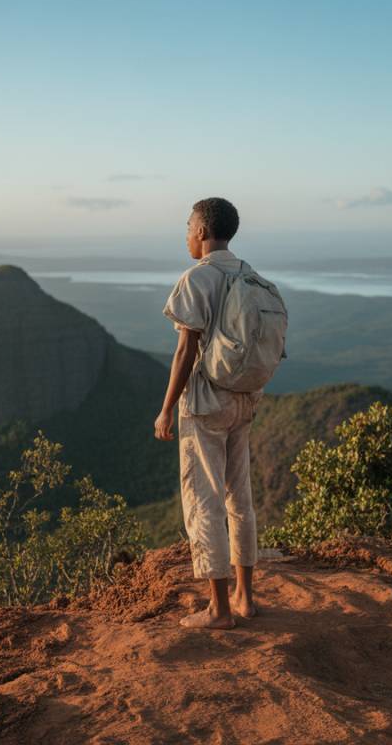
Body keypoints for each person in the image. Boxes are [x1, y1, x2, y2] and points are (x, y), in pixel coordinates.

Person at [154, 197, 260, 630]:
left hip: (206, 403)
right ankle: (246, 598)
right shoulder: (249, 275)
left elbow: (186, 349)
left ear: (201, 231)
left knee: (205, 501)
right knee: (241, 499)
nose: (185, 233)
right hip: (244, 398)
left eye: (187, 225)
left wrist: (165, 410)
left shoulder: (196, 279)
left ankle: (217, 609)